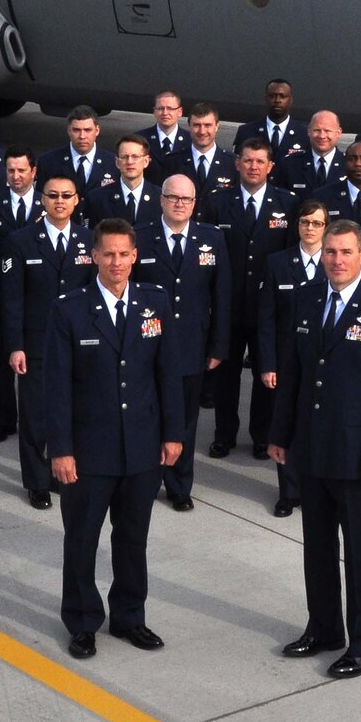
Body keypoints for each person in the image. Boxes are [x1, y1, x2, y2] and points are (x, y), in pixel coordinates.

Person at [269, 219, 361, 679]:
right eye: (329, 251)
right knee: (317, 547)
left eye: (345, 252)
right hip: (312, 448)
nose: (336, 260)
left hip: (358, 456)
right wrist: (280, 434)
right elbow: (292, 374)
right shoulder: (307, 299)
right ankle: (325, 628)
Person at [41, 219, 185, 660]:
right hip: (88, 452)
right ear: (94, 256)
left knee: (132, 539)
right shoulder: (69, 309)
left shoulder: (154, 303)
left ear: (134, 256)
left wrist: (174, 434)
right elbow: (56, 387)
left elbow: (168, 374)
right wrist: (61, 449)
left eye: (124, 254)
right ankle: (83, 621)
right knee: (81, 540)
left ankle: (129, 617)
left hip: (142, 447)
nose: (117, 262)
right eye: (108, 254)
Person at [130, 173, 229, 510]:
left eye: (186, 199)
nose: (179, 204)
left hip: (191, 346)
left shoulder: (211, 239)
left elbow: (222, 295)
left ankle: (178, 486)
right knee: (147, 415)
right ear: (161, 199)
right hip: (147, 344)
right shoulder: (141, 237)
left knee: (185, 420)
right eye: (173, 197)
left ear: (194, 203)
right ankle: (145, 480)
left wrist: (218, 345)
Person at [0, 172, 96, 508]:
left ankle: (62, 474)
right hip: (36, 345)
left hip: (80, 345)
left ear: (76, 200)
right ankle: (36, 481)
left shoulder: (88, 239)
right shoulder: (21, 240)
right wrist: (15, 345)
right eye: (52, 195)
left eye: (66, 196)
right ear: (42, 199)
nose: (59, 201)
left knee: (75, 413)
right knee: (35, 417)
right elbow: (12, 299)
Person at [207, 136, 296, 460]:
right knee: (226, 376)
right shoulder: (217, 202)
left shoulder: (287, 204)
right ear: (237, 164)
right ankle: (224, 434)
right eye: (248, 160)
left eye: (260, 161)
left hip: (267, 308)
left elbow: (288, 258)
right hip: (228, 307)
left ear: (270, 166)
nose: (253, 166)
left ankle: (261, 435)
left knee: (265, 374)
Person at [256, 198, 330, 517]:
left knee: (318, 427)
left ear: (326, 228)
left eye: (316, 223)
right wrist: (268, 364)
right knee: (284, 425)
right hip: (286, 362)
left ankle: (317, 488)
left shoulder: (335, 262)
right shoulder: (277, 263)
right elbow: (266, 319)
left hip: (322, 362)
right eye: (304, 222)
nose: (310, 228)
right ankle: (289, 492)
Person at [0, 147, 41, 442]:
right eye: (11, 171)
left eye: (21, 170)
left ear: (33, 172)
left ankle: (33, 420)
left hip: (38, 297)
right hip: (0, 297)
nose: (16, 176)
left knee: (34, 367)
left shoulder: (47, 204)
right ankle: (3, 421)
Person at [38, 106, 118, 197]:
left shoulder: (113, 163)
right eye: (76, 130)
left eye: (88, 130)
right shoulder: (48, 162)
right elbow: (42, 200)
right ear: (68, 130)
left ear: (97, 130)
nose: (82, 136)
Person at [87, 134, 161, 227]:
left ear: (146, 161)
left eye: (135, 157)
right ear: (117, 162)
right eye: (125, 157)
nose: (130, 162)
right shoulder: (97, 199)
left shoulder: (160, 198)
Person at [233, 78, 308, 164]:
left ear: (291, 100)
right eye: (272, 96)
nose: (277, 100)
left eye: (282, 96)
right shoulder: (246, 131)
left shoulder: (304, 134)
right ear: (266, 99)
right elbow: (237, 165)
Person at [176, 102, 236, 197]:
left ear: (217, 126)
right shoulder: (173, 162)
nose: (202, 131)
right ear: (189, 126)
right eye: (196, 125)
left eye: (207, 125)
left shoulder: (233, 163)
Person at [280, 109, 344, 195]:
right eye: (317, 130)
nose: (322, 136)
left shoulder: (348, 165)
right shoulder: (290, 164)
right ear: (309, 131)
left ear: (338, 133)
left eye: (327, 131)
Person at [137, 90, 190, 183]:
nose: (165, 113)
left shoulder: (191, 141)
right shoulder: (139, 140)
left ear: (180, 112)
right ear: (154, 111)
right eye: (160, 108)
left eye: (170, 108)